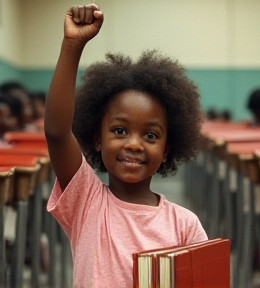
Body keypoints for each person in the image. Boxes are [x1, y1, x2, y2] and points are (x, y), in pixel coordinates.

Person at [45, 4, 207, 288]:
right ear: (97, 139)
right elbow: (57, 133)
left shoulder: (185, 225)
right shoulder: (86, 201)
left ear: (168, 148)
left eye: (151, 135)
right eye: (120, 130)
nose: (134, 144)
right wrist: (72, 45)